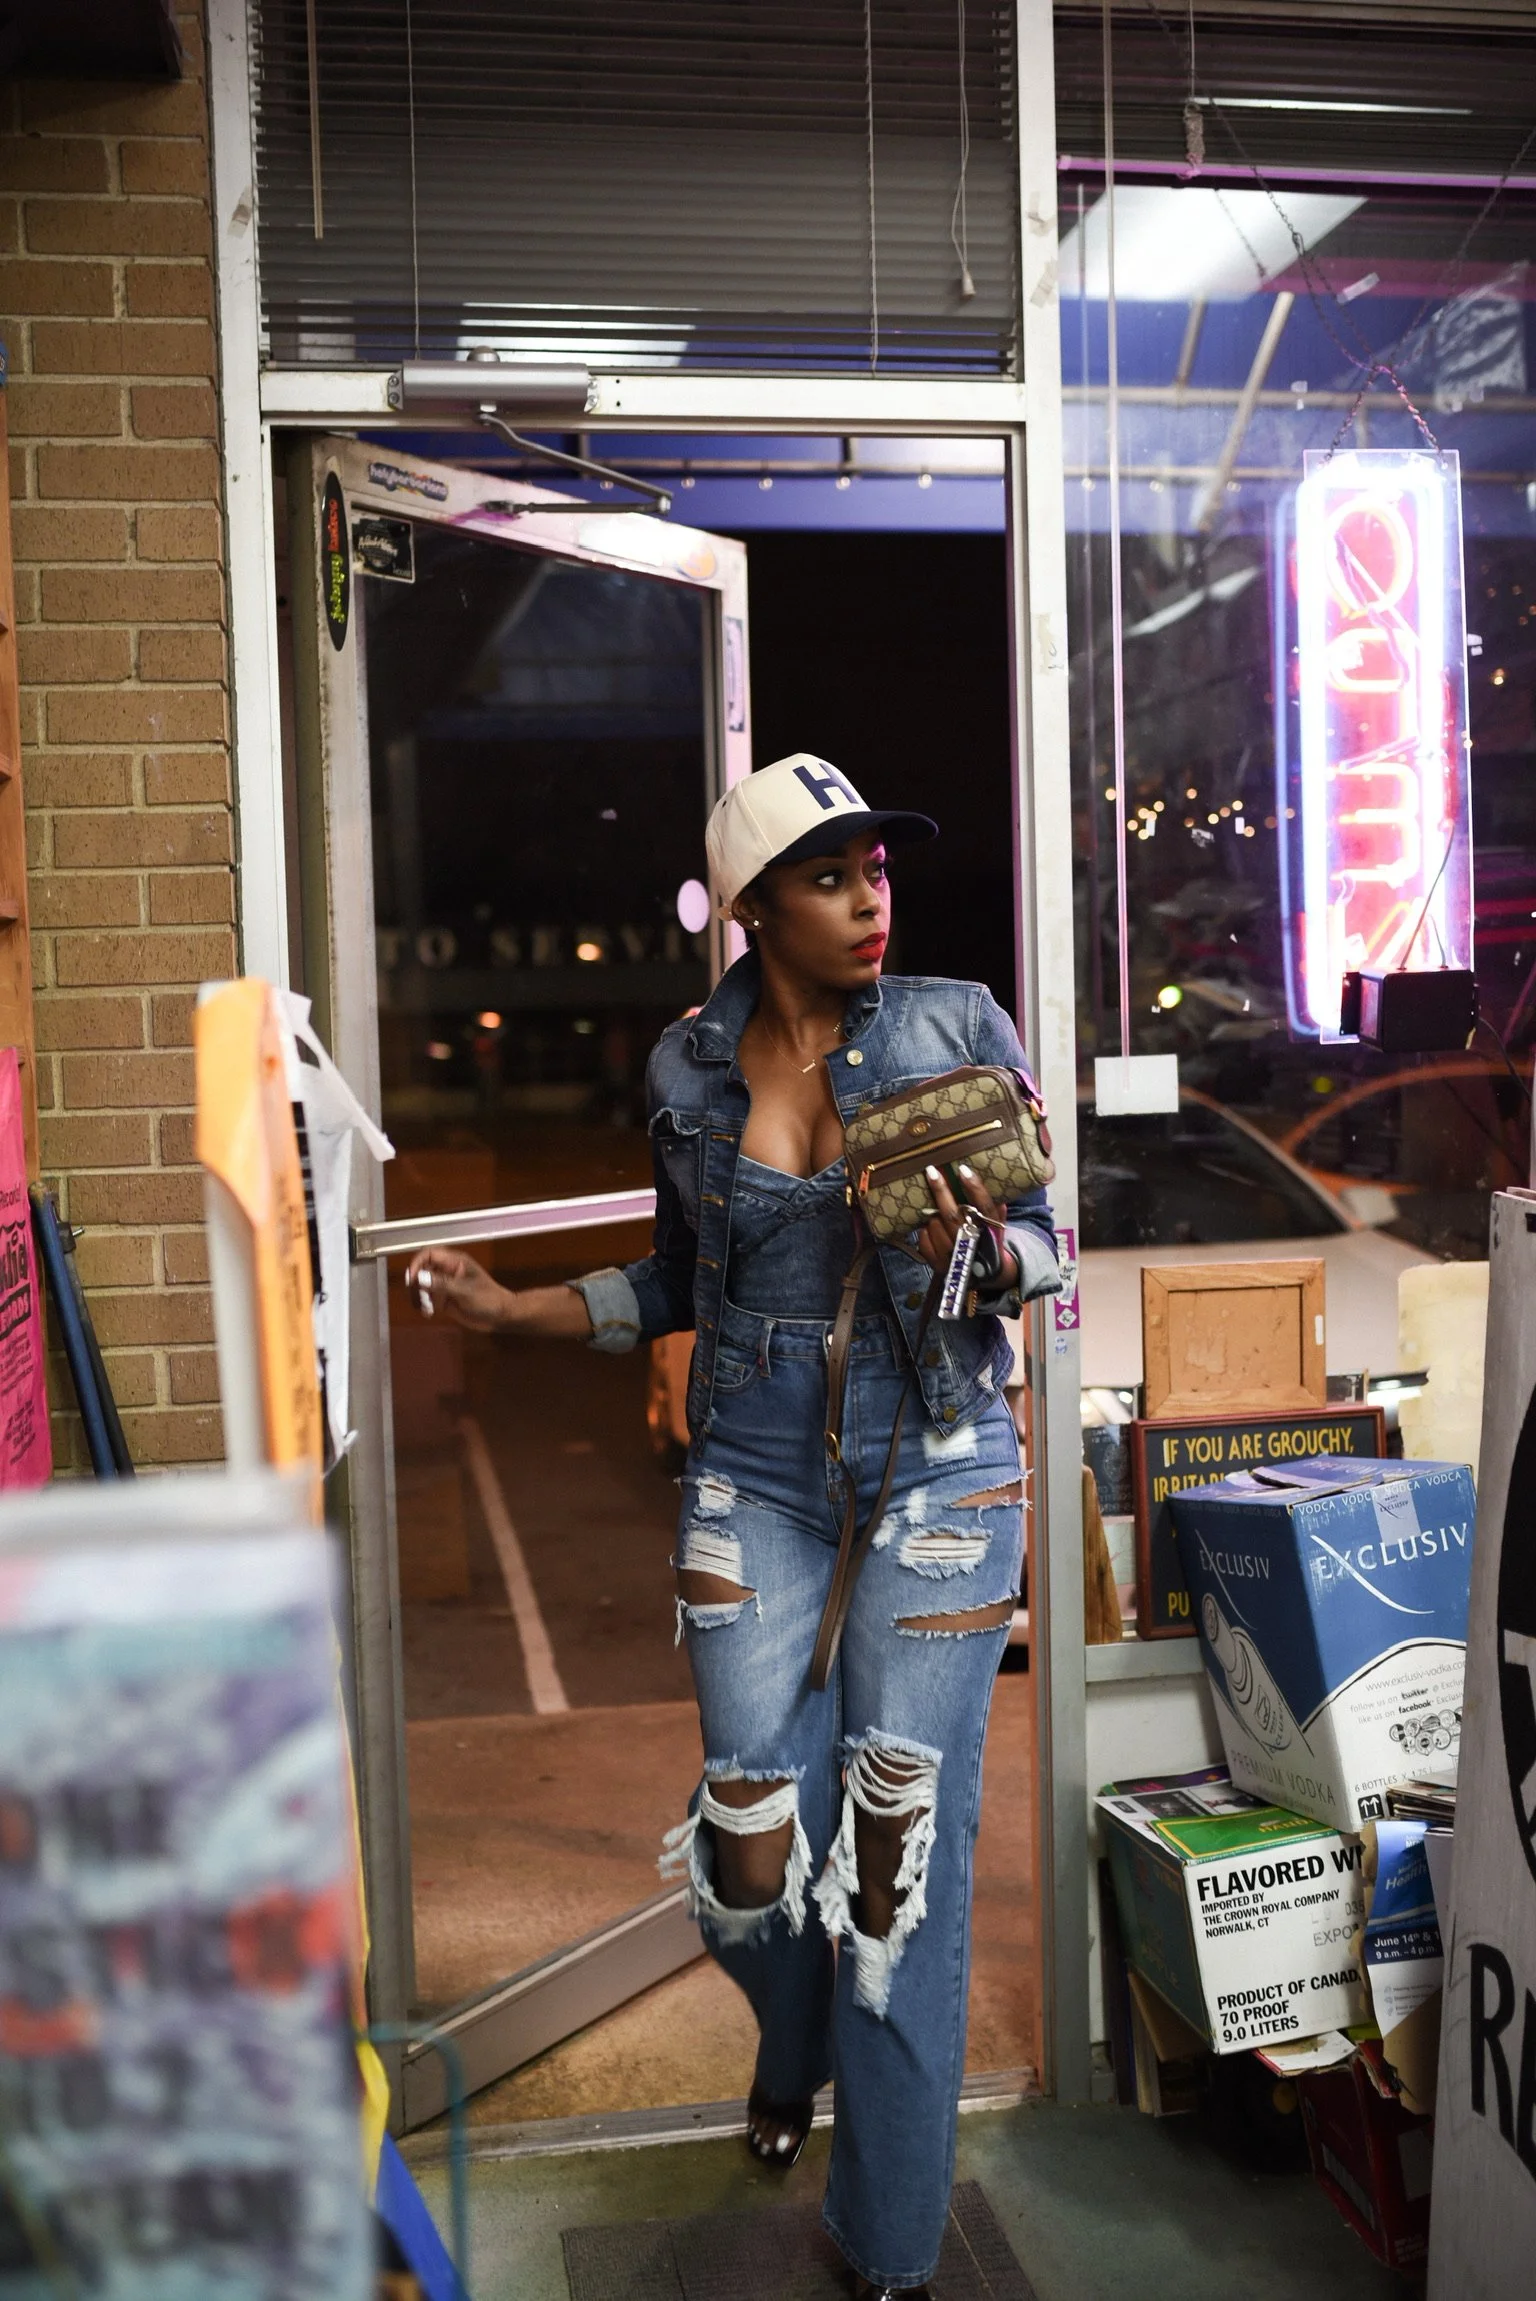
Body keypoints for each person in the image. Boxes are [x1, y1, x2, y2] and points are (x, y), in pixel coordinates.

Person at [407, 754, 1059, 2298]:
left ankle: (888, 2244)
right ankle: (799, 2031)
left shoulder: (956, 1022)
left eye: (880, 871)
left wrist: (991, 1255)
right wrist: (520, 1312)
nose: (871, 900)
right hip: (753, 1476)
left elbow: (1054, 1246)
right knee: (750, 1850)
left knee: (899, 1859)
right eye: (833, 878)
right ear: (756, 905)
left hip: (946, 1474)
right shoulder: (688, 1069)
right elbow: (677, 1281)